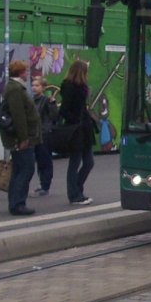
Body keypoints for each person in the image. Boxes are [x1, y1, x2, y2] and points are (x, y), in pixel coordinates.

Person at [0, 59, 39, 215]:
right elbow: (19, 116)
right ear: (21, 72)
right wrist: (23, 138)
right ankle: (17, 203)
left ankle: (15, 201)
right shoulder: (16, 89)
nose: (27, 74)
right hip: (21, 138)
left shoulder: (14, 88)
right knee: (26, 169)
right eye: (26, 71)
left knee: (20, 169)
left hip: (20, 137)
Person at [59, 58, 97, 205]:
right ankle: (74, 193)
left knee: (88, 162)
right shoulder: (72, 87)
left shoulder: (77, 86)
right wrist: (75, 120)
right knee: (76, 162)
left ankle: (77, 188)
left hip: (83, 128)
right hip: (77, 129)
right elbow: (64, 110)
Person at [31, 73, 59, 197]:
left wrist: (53, 104)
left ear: (43, 87)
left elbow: (54, 117)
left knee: (45, 160)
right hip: (35, 134)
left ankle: (45, 185)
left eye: (37, 85)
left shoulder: (46, 101)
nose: (34, 88)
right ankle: (42, 183)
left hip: (44, 133)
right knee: (39, 160)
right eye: (33, 85)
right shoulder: (32, 100)